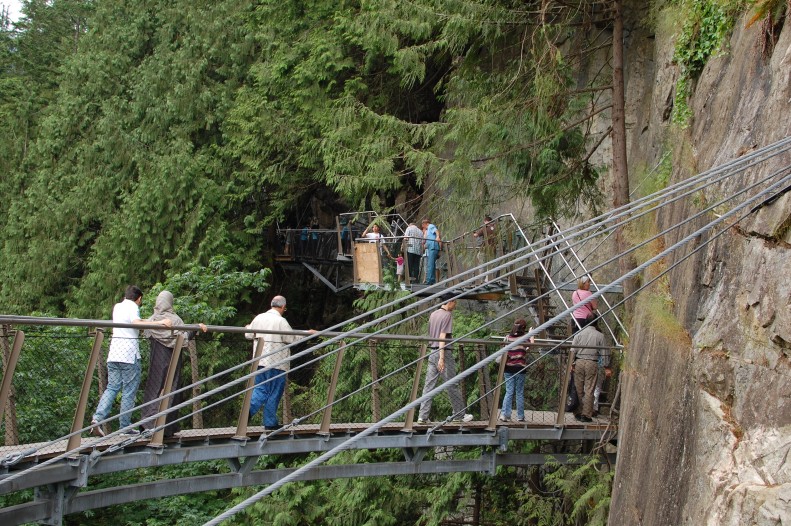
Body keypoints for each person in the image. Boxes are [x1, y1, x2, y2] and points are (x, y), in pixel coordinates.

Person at [91, 285, 172, 437]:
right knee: (129, 391)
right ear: (139, 298)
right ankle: (125, 427)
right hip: (129, 356)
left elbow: (134, 322)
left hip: (114, 354)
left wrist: (146, 321)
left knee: (112, 388)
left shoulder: (118, 307)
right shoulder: (133, 307)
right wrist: (159, 323)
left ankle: (97, 418)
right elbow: (136, 322)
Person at [140, 291, 207, 437]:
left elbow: (146, 333)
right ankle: (167, 427)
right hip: (172, 359)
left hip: (156, 361)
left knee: (154, 388)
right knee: (172, 388)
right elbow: (183, 338)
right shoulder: (175, 320)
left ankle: (148, 424)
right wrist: (196, 328)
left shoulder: (152, 320)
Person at [245, 296, 316, 429]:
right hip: (276, 363)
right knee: (274, 392)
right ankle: (270, 423)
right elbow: (291, 338)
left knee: (260, 389)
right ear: (283, 307)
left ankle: (246, 414)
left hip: (259, 361)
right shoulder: (280, 321)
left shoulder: (259, 318)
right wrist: (307, 333)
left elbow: (248, 334)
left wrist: (248, 327)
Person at [417, 294, 473, 424]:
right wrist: (442, 358)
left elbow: (432, 335)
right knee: (452, 384)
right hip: (444, 353)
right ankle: (459, 415)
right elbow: (442, 337)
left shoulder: (433, 314)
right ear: (450, 301)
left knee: (428, 385)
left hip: (432, 352)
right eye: (455, 302)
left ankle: (422, 417)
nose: (456, 305)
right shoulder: (447, 315)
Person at [571, 320, 611, 423]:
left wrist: (571, 363)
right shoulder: (600, 336)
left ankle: (578, 412)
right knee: (589, 389)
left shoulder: (578, 334)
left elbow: (573, 350)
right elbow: (604, 352)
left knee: (579, 388)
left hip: (579, 362)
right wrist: (606, 366)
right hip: (592, 362)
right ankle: (586, 415)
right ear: (596, 323)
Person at [499, 319, 534, 422]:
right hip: (520, 368)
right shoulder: (524, 339)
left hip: (508, 367)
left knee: (509, 391)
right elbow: (531, 344)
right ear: (523, 328)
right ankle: (520, 416)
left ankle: (505, 414)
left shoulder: (507, 338)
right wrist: (531, 333)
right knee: (519, 392)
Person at [422, 218, 441, 285]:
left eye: (423, 225)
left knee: (430, 264)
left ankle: (429, 280)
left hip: (433, 247)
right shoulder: (428, 231)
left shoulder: (430, 226)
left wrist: (438, 236)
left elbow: (436, 231)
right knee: (432, 264)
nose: (423, 227)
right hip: (431, 247)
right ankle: (431, 280)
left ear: (425, 224)